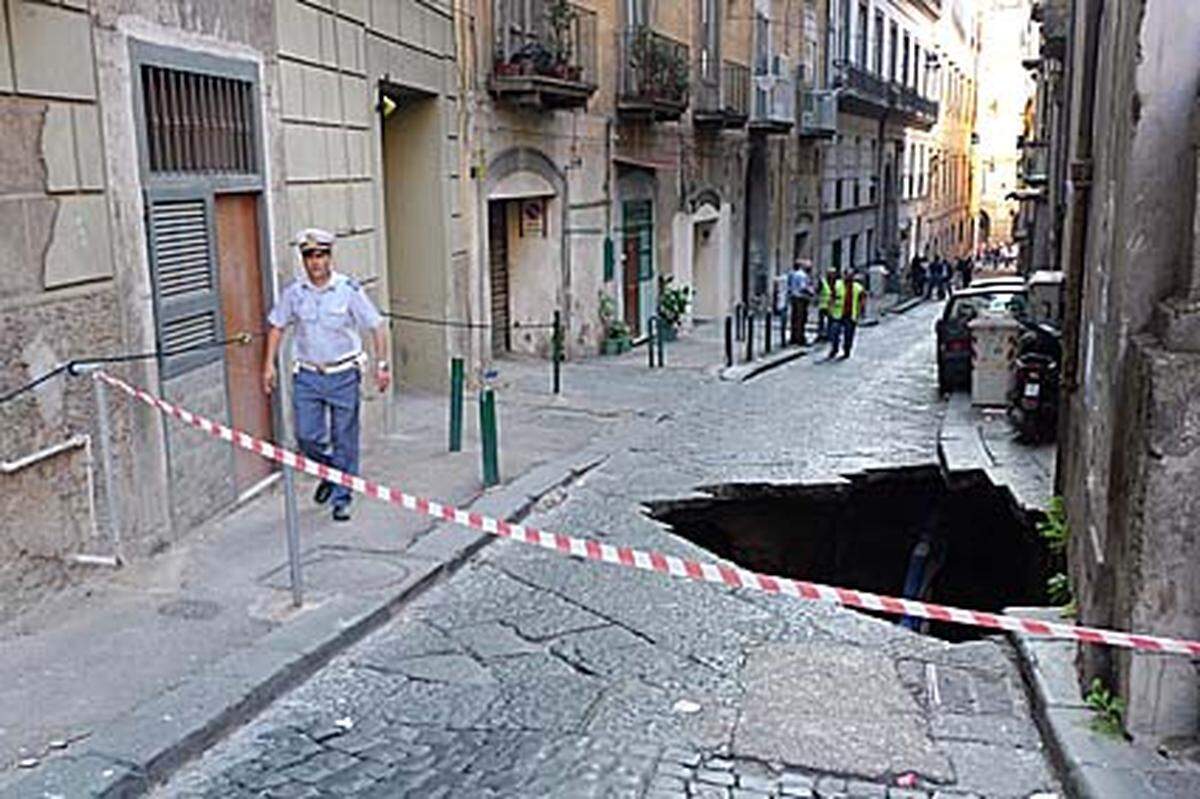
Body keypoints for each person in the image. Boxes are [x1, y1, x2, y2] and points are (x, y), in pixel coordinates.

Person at [263, 228, 390, 522]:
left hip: (343, 374)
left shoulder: (348, 290)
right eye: (309, 256)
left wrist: (382, 366)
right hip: (308, 375)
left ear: (330, 257)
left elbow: (377, 325)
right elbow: (277, 326)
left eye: (321, 255)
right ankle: (332, 471)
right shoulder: (294, 293)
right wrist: (268, 364)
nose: (315, 262)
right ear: (303, 260)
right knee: (306, 437)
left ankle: (342, 497)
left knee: (344, 437)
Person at [826, 268, 866, 360]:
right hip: (837, 314)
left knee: (849, 334)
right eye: (847, 275)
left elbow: (862, 300)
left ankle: (847, 350)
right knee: (834, 333)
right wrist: (830, 309)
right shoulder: (837, 284)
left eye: (851, 275)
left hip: (850, 315)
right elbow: (832, 297)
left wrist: (861, 311)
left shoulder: (858, 287)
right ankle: (834, 349)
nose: (849, 277)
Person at [786, 260, 813, 346]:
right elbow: (803, 287)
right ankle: (799, 338)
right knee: (800, 319)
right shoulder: (802, 275)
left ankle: (793, 337)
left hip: (794, 298)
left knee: (794, 319)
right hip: (801, 299)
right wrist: (811, 292)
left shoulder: (793, 274)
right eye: (809, 268)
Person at [817, 268, 836, 341]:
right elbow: (818, 291)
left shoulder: (835, 283)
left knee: (830, 321)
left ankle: (829, 335)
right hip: (823, 305)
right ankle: (820, 335)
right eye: (831, 273)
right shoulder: (823, 282)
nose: (832, 275)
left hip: (831, 305)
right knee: (821, 321)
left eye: (833, 274)